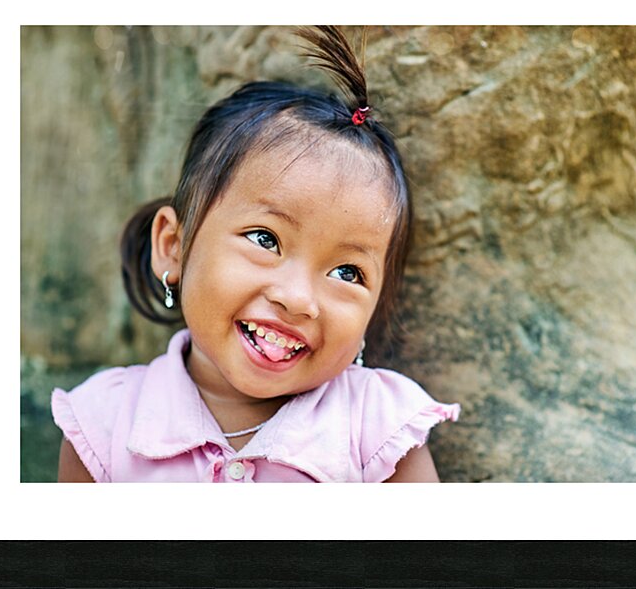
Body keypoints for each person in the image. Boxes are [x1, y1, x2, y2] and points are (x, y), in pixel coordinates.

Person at [51, 26, 459, 482]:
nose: (298, 299)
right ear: (173, 247)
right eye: (265, 239)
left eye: (347, 272)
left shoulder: (382, 432)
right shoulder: (103, 425)